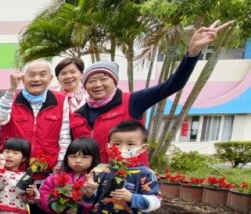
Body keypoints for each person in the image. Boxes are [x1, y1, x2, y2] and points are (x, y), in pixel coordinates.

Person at [70, 21, 232, 165]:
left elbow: (173, 85)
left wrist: (192, 52)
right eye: (91, 81)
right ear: (85, 86)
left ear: (115, 81)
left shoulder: (133, 101)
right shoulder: (78, 115)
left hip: (130, 180)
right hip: (91, 183)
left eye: (104, 78)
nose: (97, 84)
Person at [0, 63, 69, 214]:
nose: (36, 79)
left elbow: (64, 136)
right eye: (31, 75)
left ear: (50, 77)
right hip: (12, 173)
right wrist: (10, 90)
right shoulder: (12, 98)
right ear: (23, 78)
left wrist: (60, 165)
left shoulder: (60, 101)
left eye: (42, 74)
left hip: (45, 173)